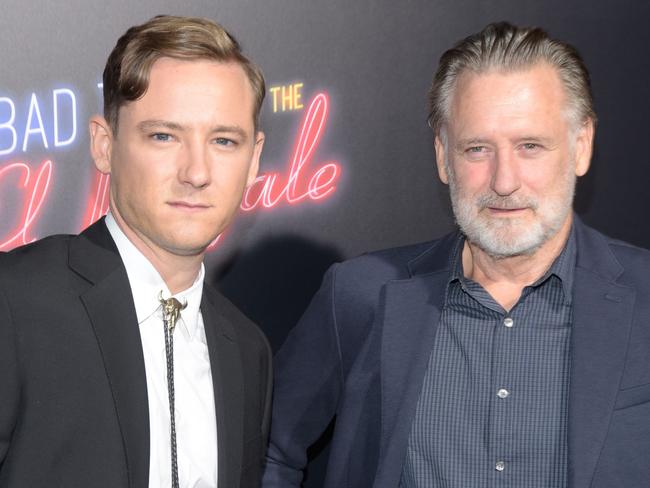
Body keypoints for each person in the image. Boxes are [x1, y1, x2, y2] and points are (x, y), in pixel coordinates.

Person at [262, 21, 650, 488]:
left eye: (530, 146)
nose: (504, 181)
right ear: (444, 156)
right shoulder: (360, 296)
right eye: (477, 148)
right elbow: (269, 452)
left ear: (581, 145)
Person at [0, 15, 271, 488]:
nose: (197, 172)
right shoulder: (14, 303)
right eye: (164, 136)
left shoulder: (248, 351)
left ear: (254, 161)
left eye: (224, 141)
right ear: (105, 146)